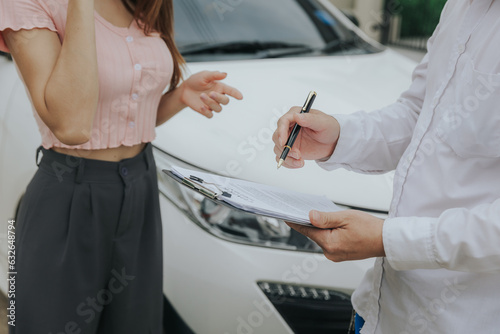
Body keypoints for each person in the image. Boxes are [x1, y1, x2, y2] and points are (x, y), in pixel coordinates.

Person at [0, 0, 242, 332]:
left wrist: (180, 94)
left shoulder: (146, 3)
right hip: (68, 196)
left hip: (141, 188)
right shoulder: (29, 4)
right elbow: (72, 126)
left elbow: (118, 122)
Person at [273, 0, 500, 333]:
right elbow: (418, 115)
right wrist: (337, 137)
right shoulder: (461, 6)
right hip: (379, 308)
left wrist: (388, 239)